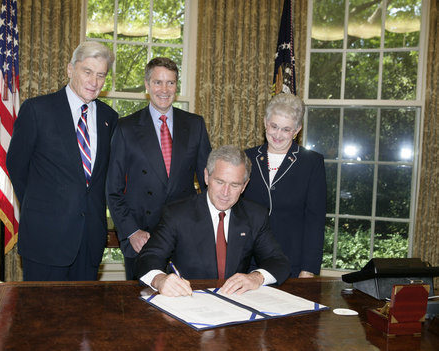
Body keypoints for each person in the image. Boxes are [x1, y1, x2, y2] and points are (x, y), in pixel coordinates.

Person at [7, 41, 118, 281]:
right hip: (45, 237)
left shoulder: (110, 118)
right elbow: (17, 166)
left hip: (89, 240)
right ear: (70, 69)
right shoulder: (37, 110)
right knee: (41, 314)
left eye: (101, 75)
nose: (94, 81)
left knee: (82, 316)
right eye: (87, 72)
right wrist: (44, 205)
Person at [135, 145, 291, 296]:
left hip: (235, 304)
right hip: (188, 300)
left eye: (234, 185)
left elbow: (278, 261)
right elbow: (148, 258)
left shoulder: (255, 215)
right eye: (220, 182)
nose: (225, 193)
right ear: (206, 177)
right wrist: (160, 280)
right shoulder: (177, 214)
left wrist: (256, 277)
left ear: (245, 186)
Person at [106, 57, 211, 280]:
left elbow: (208, 182)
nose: (164, 89)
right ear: (147, 85)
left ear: (177, 86)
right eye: (157, 82)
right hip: (141, 237)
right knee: (141, 307)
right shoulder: (126, 128)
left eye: (170, 83)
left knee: (183, 303)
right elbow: (113, 189)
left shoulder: (195, 125)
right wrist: (131, 232)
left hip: (185, 236)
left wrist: (205, 226)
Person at [243, 93, 326, 278]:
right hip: (248, 262)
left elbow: (315, 220)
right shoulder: (246, 158)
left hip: (292, 262)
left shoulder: (311, 162)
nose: (278, 135)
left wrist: (309, 269)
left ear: (297, 129)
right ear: (265, 122)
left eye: (286, 129)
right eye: (274, 126)